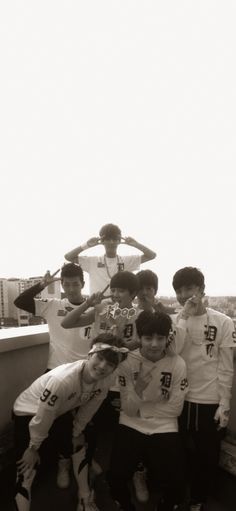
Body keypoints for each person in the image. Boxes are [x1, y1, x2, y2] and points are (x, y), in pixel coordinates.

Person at [13, 333, 128, 511]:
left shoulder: (106, 380)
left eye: (111, 364)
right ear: (90, 354)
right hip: (28, 413)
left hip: (59, 412)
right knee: (26, 470)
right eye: (100, 358)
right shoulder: (62, 380)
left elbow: (88, 409)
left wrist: (75, 432)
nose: (103, 366)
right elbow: (43, 415)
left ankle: (84, 498)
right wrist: (33, 447)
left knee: (79, 442)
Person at [14, 263, 94, 489]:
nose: (71, 289)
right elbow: (20, 302)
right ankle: (63, 462)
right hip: (55, 373)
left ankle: (83, 460)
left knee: (82, 423)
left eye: (75, 284)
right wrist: (42, 284)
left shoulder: (93, 308)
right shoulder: (52, 305)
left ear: (82, 284)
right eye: (66, 284)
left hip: (85, 374)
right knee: (57, 423)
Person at [108, 311, 188, 511]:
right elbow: (126, 408)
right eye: (148, 338)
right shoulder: (126, 362)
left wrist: (140, 407)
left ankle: (165, 505)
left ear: (167, 337)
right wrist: (138, 389)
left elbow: (176, 409)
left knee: (178, 482)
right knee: (115, 476)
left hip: (164, 426)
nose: (154, 344)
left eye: (160, 338)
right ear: (139, 338)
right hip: (130, 422)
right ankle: (125, 505)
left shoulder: (177, 363)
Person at [172, 266, 236, 511]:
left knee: (207, 456)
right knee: (177, 453)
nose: (183, 294)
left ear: (201, 289)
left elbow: (226, 367)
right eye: (178, 290)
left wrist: (225, 404)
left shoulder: (223, 321)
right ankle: (176, 496)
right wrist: (184, 317)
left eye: (189, 288)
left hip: (209, 400)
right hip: (179, 398)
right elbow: (172, 352)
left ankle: (198, 500)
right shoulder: (175, 320)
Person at [64, 223, 156, 294]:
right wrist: (86, 245)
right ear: (102, 241)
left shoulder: (127, 261)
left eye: (115, 239)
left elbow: (151, 255)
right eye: (108, 239)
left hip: (119, 308)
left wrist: (136, 244)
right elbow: (68, 257)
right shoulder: (92, 262)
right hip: (97, 308)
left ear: (119, 241)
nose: (111, 242)